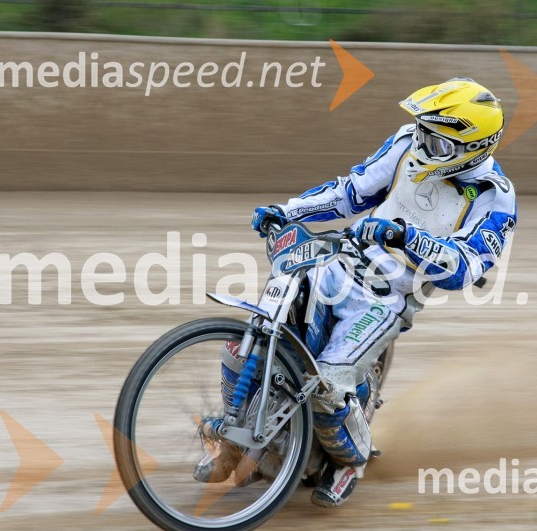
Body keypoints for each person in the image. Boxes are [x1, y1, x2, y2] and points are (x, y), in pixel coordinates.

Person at [195, 78, 518, 507]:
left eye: (437, 143)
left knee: (326, 384)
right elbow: (352, 193)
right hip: (339, 262)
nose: (423, 146)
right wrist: (286, 210)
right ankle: (236, 440)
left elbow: (466, 268)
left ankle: (351, 460)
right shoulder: (407, 141)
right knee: (257, 340)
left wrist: (405, 237)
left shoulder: (497, 198)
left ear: (472, 149)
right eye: (422, 133)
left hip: (389, 296)